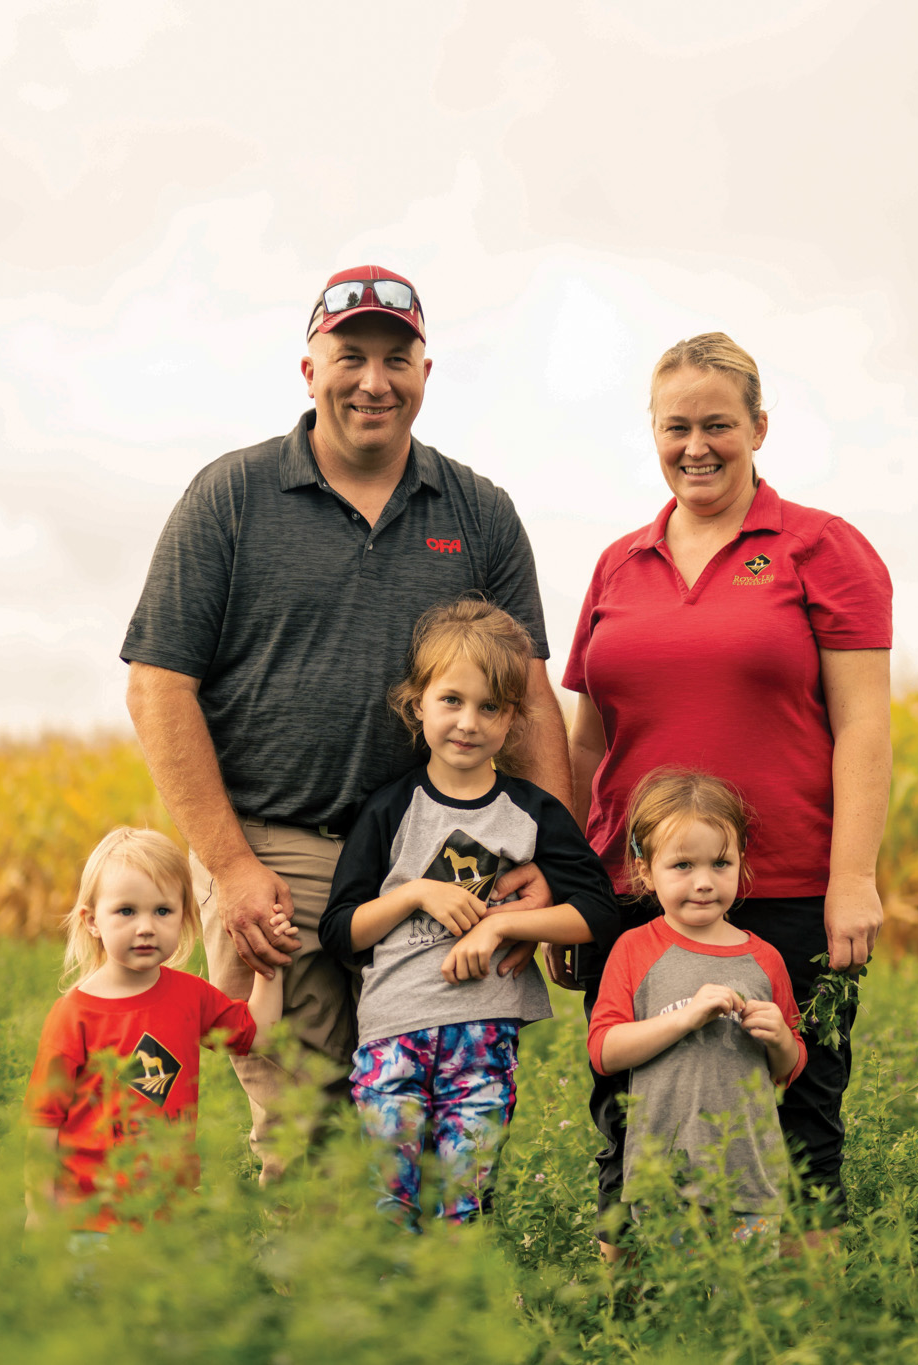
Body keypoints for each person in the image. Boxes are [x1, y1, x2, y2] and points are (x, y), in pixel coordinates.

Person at [121, 266, 573, 1174]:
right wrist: (232, 864)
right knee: (308, 1112)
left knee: (440, 1100)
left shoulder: (479, 513)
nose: (374, 379)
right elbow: (158, 686)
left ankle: (420, 1299)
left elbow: (525, 697)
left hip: (446, 851)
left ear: (425, 373)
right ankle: (312, 1306)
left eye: (395, 358)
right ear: (308, 367)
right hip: (286, 850)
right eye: (351, 356)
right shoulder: (233, 498)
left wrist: (549, 866)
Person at [559, 332, 893, 1253]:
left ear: (758, 428)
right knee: (630, 1112)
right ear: (653, 433)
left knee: (798, 1116)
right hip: (636, 892)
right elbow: (587, 737)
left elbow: (864, 724)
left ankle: (802, 1317)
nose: (696, 445)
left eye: (718, 424)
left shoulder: (822, 548)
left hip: (786, 886)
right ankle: (630, 1307)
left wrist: (851, 878)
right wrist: (571, 880)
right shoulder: (620, 563)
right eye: (676, 427)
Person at [318, 600, 617, 1228]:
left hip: (483, 1036)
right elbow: (340, 932)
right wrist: (414, 895)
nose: (468, 722)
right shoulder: (389, 810)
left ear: (513, 718)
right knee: (390, 1197)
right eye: (451, 700)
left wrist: (506, 924)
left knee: (463, 1199)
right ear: (417, 704)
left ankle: (458, 1316)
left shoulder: (531, 813)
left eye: (490, 707)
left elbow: (596, 911)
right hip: (391, 1037)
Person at [24, 827, 288, 1232]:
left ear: (184, 915)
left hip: (172, 1220)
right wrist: (39, 1212)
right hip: (90, 1224)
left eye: (162, 911)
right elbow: (44, 1123)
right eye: (126, 911)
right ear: (92, 921)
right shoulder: (73, 1015)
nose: (145, 927)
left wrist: (271, 956)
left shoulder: (190, 996)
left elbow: (259, 1033)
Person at [587, 770, 806, 1242]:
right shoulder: (634, 949)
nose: (704, 882)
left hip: (749, 1175)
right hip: (665, 1174)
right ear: (645, 871)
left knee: (741, 1301)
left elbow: (787, 1070)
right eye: (683, 866)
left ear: (741, 865)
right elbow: (604, 1051)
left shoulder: (764, 958)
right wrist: (685, 1018)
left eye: (721, 864)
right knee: (677, 1299)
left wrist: (782, 1039)